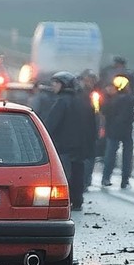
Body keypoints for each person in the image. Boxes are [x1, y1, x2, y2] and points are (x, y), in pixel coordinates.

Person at [42, 71, 86, 211]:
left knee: (65, 175)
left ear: (64, 85)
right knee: (78, 174)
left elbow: (51, 124)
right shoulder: (82, 101)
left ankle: (66, 201)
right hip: (79, 146)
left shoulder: (61, 102)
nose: (53, 86)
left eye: (56, 83)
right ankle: (77, 200)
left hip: (63, 145)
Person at [100, 75, 134, 188]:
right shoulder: (131, 99)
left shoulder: (111, 100)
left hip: (113, 130)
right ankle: (125, 180)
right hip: (127, 131)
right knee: (127, 156)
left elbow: (103, 111)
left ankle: (106, 178)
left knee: (110, 155)